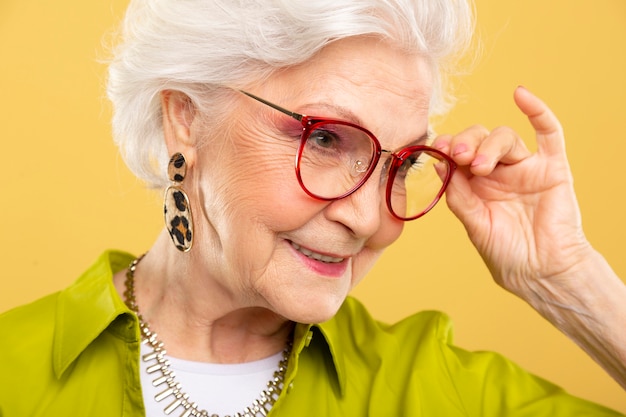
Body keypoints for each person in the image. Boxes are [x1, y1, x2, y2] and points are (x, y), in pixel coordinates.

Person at [1, 0, 625, 415]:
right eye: (324, 138)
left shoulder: (429, 388)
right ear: (185, 116)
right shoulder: (14, 372)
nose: (367, 218)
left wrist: (566, 279)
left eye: (401, 164)